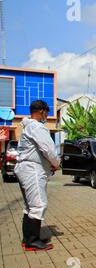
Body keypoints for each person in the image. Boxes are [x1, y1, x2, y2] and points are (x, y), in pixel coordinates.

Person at [15, 100, 59, 251]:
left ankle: (29, 237)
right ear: (41, 111)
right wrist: (56, 163)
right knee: (39, 204)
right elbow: (48, 150)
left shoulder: (28, 127)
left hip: (26, 168)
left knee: (30, 205)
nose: (47, 115)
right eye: (47, 112)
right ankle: (32, 241)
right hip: (32, 169)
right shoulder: (37, 127)